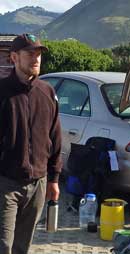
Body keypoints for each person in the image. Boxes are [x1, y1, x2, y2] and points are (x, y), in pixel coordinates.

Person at [0, 34, 62, 254]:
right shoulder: (2, 91)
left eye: (38, 54)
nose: (36, 59)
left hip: (38, 183)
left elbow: (55, 138)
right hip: (5, 183)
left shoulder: (47, 92)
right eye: (30, 54)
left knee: (22, 246)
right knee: (3, 245)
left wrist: (54, 179)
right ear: (14, 57)